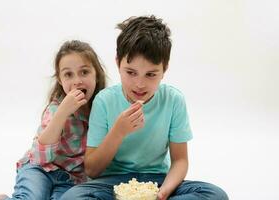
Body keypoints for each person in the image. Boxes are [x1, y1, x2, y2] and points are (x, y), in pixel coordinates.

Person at [61, 15, 228, 200]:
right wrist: (118, 131)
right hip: (111, 184)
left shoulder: (173, 100)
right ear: (118, 63)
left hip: (158, 181)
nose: (139, 84)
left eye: (150, 74)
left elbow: (180, 160)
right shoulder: (104, 101)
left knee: (215, 195)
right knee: (72, 197)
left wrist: (163, 192)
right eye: (131, 72)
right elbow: (92, 168)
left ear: (164, 69)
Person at [0, 40, 106, 200]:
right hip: (39, 170)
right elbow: (40, 158)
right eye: (68, 74)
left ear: (97, 74)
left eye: (84, 72)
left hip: (70, 180)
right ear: (60, 80)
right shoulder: (55, 109)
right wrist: (62, 113)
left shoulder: (103, 110)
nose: (77, 81)